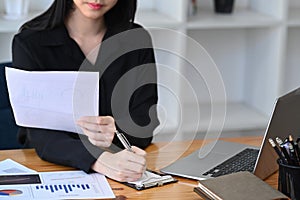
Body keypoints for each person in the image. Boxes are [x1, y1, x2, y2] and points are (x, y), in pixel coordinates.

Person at [12, 0, 159, 182]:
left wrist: (114, 131)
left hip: (123, 167)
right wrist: (100, 160)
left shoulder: (136, 38)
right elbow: (39, 135)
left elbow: (144, 122)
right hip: (53, 169)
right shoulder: (30, 42)